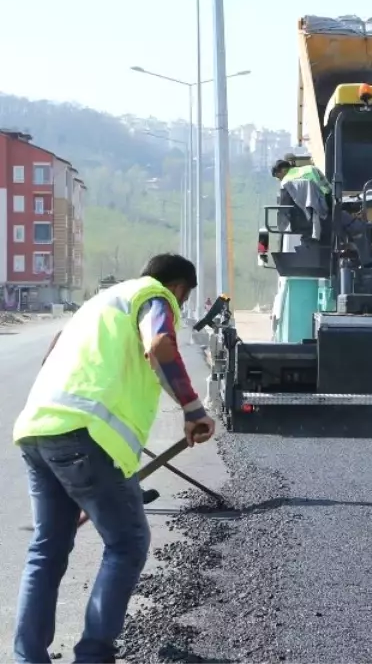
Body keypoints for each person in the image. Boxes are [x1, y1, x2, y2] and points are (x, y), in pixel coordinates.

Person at [12, 254, 216, 664]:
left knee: (47, 548)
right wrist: (194, 409)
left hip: (37, 429)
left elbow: (52, 355)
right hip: (86, 439)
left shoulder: (98, 304)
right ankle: (93, 654)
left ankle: (28, 657)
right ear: (179, 288)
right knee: (127, 542)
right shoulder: (154, 296)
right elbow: (159, 343)